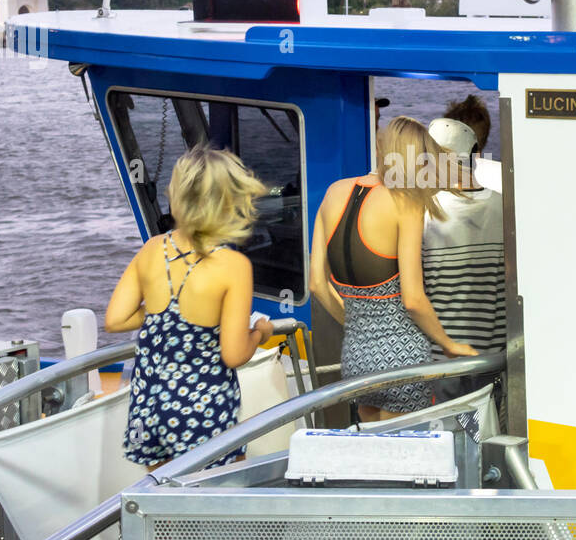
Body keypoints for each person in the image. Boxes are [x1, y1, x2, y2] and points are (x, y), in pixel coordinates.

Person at [106, 145, 274, 470]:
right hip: (204, 409)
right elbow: (233, 354)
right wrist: (260, 333)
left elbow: (115, 319)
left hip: (150, 405)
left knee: (160, 503)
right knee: (212, 506)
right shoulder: (233, 265)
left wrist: (160, 311)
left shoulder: (153, 248)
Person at [309, 116, 476, 422]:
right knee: (402, 458)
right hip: (403, 359)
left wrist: (360, 326)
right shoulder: (405, 202)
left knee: (371, 458)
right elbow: (413, 300)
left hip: (356, 356)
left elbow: (317, 285)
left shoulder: (334, 191)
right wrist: (449, 344)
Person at [423, 96, 507, 403]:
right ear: (478, 150)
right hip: (492, 357)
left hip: (441, 357)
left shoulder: (422, 212)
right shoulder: (505, 207)